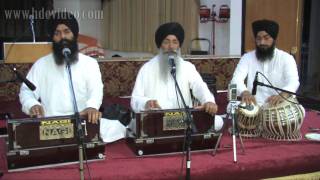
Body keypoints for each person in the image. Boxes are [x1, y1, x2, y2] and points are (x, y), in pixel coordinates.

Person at [19, 12, 125, 142]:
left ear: (74, 34)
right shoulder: (41, 64)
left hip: (82, 121)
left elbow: (96, 89)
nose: (62, 37)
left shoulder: (89, 63)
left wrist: (91, 107)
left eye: (66, 31)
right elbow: (27, 90)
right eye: (57, 33)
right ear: (52, 37)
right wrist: (32, 104)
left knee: (118, 128)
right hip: (52, 125)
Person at [131, 22, 223, 130]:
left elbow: (200, 87)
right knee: (136, 125)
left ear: (179, 45)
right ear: (160, 45)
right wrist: (146, 103)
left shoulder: (187, 67)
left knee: (217, 121)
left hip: (182, 119)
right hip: (157, 120)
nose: (171, 47)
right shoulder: (147, 69)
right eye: (166, 42)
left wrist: (208, 101)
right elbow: (135, 99)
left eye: (175, 42)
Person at [231, 19, 300, 107]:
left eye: (266, 38)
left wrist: (283, 94)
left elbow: (293, 81)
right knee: (232, 107)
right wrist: (244, 92)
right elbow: (236, 80)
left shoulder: (286, 58)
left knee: (299, 110)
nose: (262, 42)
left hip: (277, 105)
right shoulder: (247, 58)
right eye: (258, 38)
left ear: (274, 39)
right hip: (253, 104)